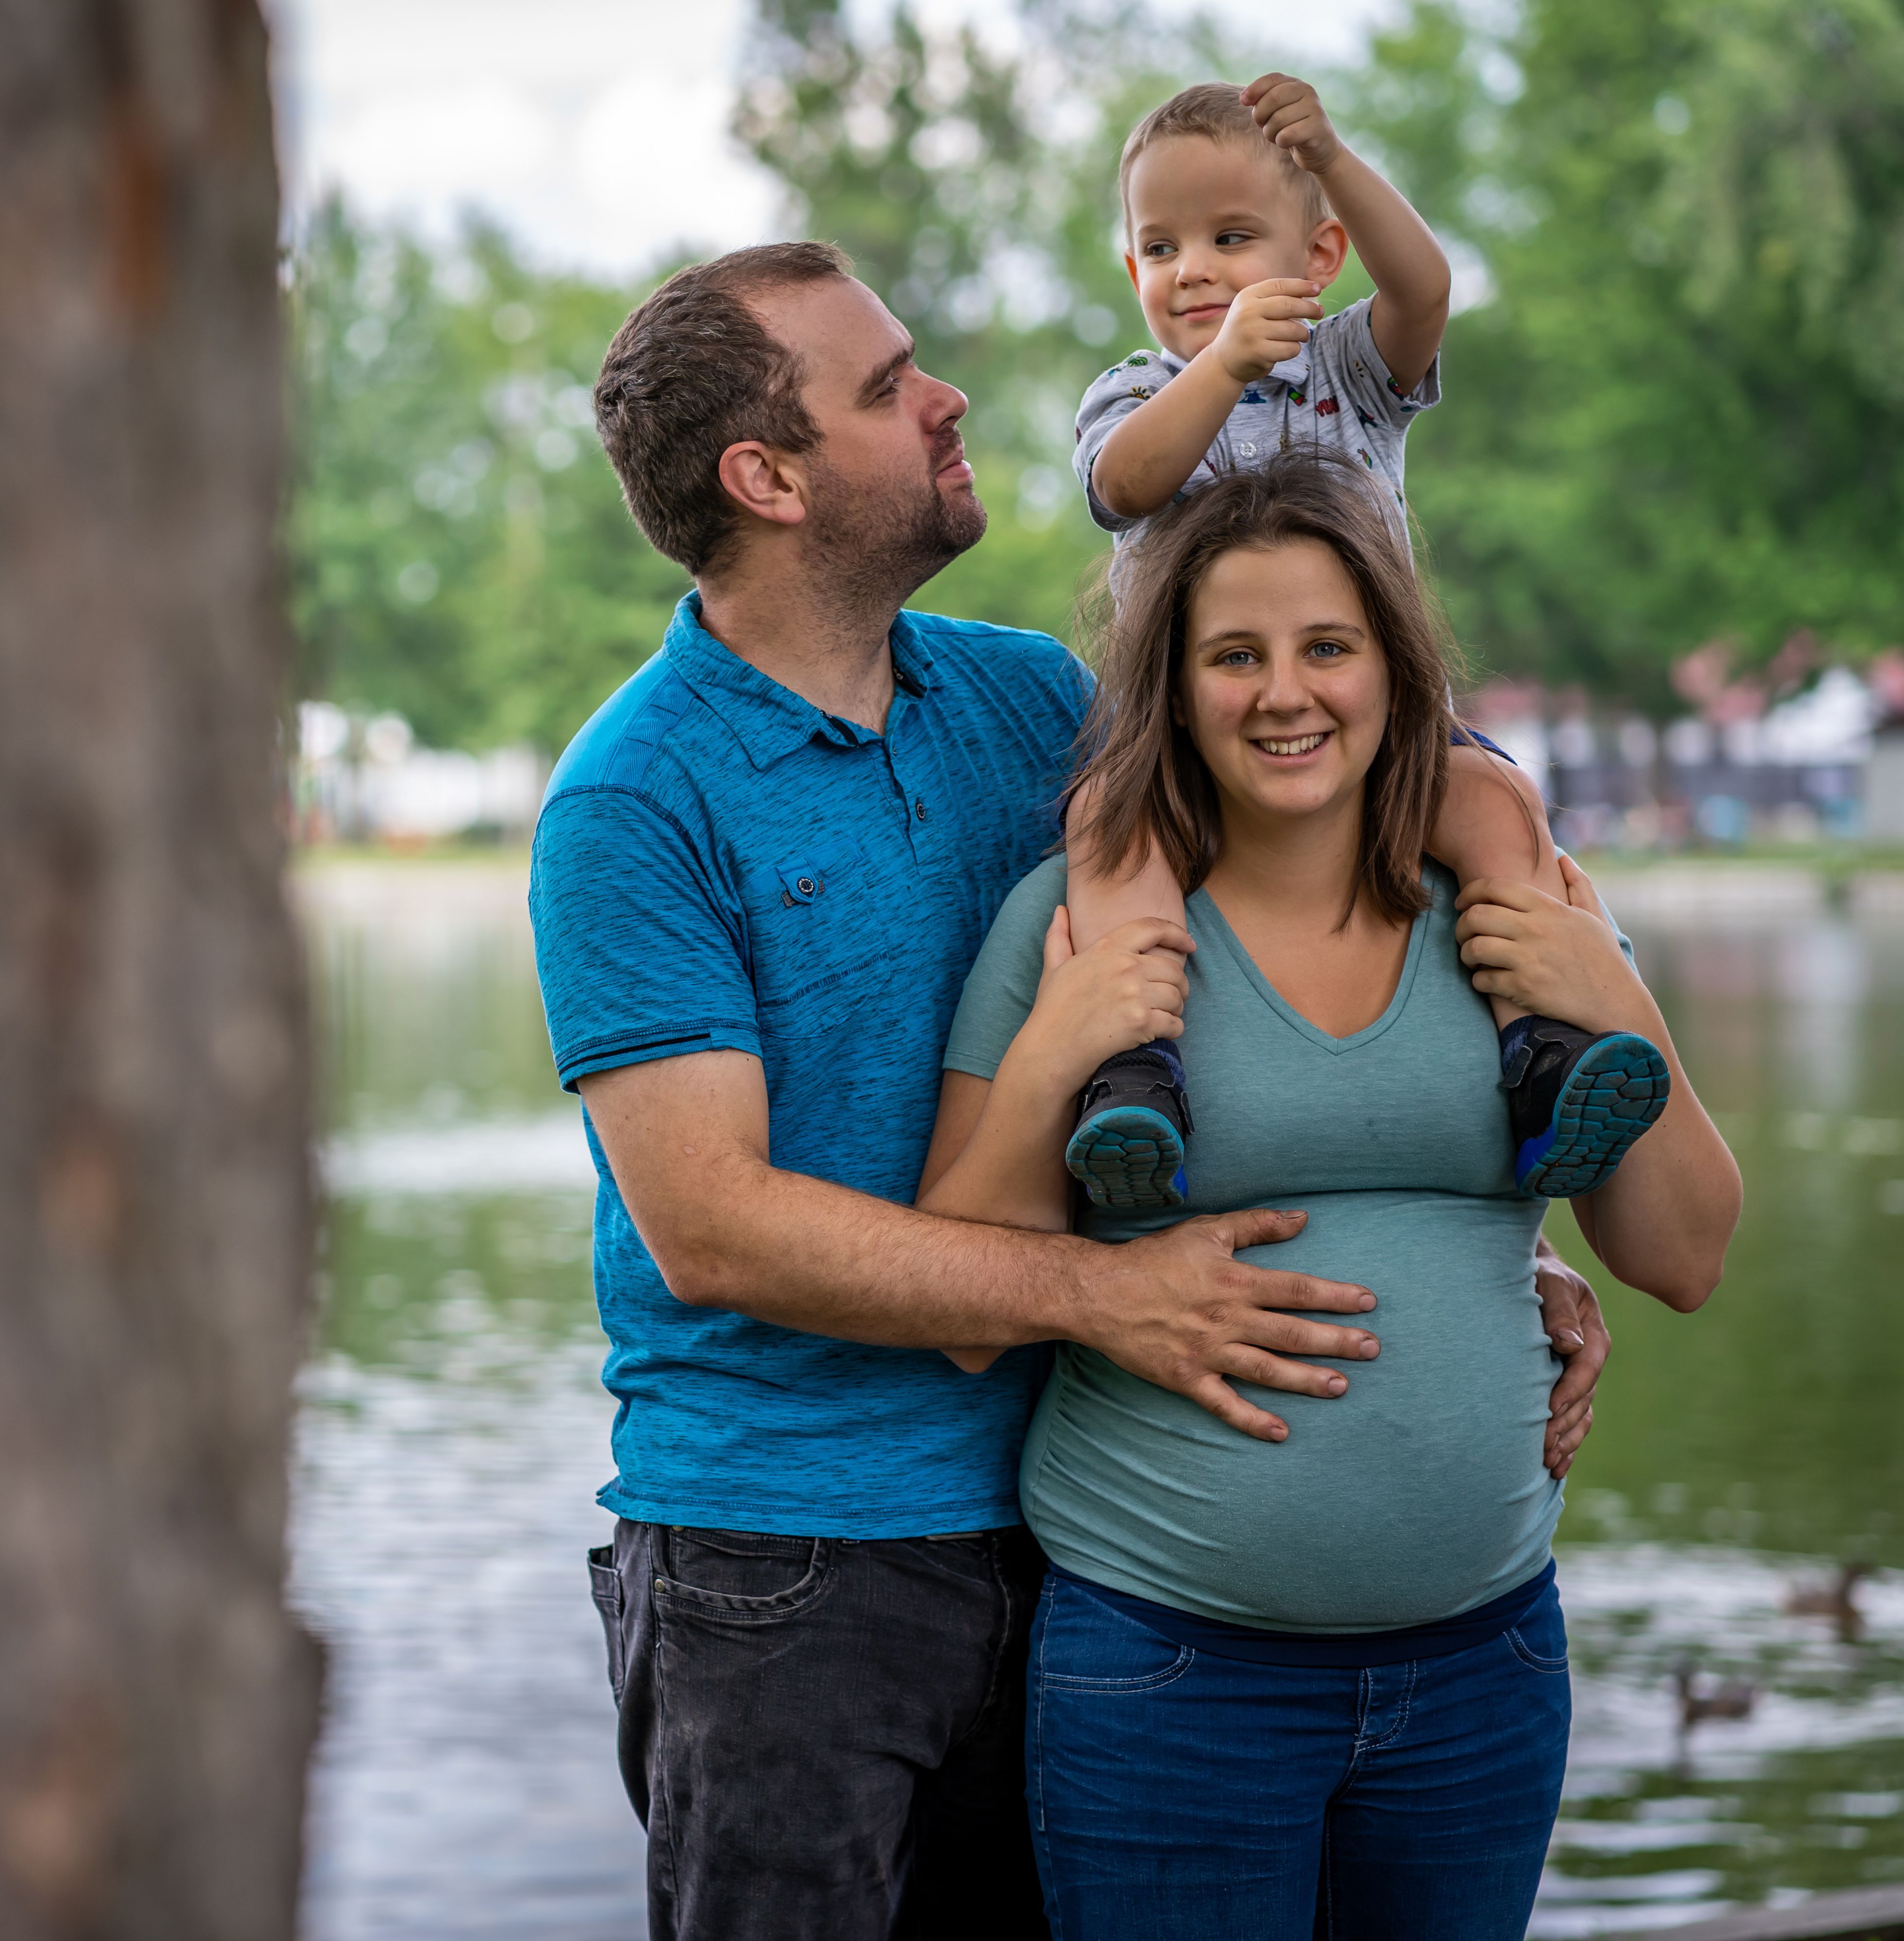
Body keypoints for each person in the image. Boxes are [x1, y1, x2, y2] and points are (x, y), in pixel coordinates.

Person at [535, 241, 1613, 1941]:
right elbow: (714, 1229)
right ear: (770, 478)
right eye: (890, 386)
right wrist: (1100, 1293)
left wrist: (1476, 1266)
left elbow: (1285, 934)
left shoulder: (1026, 703)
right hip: (787, 1564)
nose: (948, 396)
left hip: (1076, 1532)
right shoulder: (633, 801)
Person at [921, 454, 1742, 1940]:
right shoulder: (1070, 920)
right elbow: (968, 1319)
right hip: (1168, 1675)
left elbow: (1683, 1255)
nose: (1284, 695)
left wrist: (1612, 995)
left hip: (1483, 1673)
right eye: (1234, 655)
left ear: (1396, 669)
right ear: (1174, 689)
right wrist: (1055, 1052)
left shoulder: (1529, 913)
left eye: (1327, 648)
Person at [1055, 76, 1669, 1212]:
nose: (1193, 270)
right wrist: (1223, 366)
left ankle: (1541, 1054)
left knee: (1492, 805)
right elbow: (1125, 483)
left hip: (1374, 734)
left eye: (1232, 238)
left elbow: (1427, 286)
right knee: (1107, 827)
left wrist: (1332, 154)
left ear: (1318, 254)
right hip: (1181, 738)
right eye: (1160, 247)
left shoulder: (1349, 373)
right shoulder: (1136, 390)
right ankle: (1133, 1074)